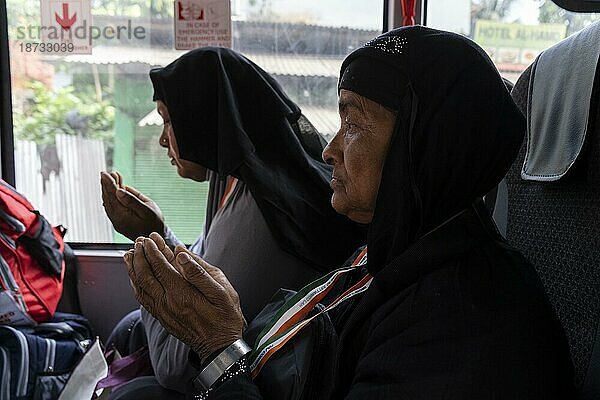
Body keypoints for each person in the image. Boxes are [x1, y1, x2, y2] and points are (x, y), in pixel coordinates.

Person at [125, 27, 575, 399]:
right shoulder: (400, 248)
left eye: (354, 123)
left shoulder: (461, 326)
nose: (329, 149)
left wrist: (220, 348)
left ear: (419, 149)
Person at [101, 47, 365, 397]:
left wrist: (148, 240)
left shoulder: (263, 210)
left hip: (236, 374)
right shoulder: (237, 179)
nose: (164, 138)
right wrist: (159, 233)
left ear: (201, 117)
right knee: (128, 329)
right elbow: (203, 264)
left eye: (168, 119)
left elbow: (173, 366)